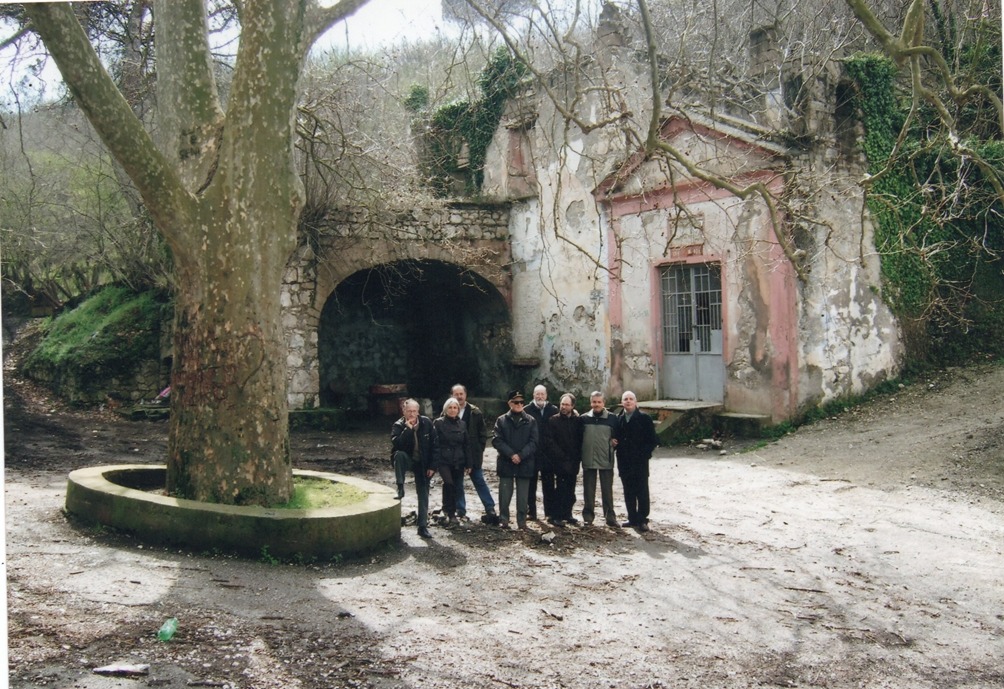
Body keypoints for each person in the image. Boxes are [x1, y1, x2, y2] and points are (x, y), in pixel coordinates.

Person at [492, 389, 539, 530]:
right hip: (506, 462)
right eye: (516, 402)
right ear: (509, 403)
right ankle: (504, 519)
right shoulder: (501, 420)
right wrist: (511, 454)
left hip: (525, 462)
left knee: (523, 496)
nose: (519, 404)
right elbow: (497, 440)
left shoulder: (531, 421)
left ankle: (522, 522)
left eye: (521, 402)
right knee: (505, 494)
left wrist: (521, 455)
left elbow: (534, 442)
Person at [451, 384, 498, 523]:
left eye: (461, 394)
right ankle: (460, 509)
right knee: (457, 482)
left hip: (472, 454)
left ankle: (490, 508)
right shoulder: (448, 410)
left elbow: (483, 434)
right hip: (456, 455)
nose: (459, 397)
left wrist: (479, 450)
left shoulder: (475, 412)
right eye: (456, 394)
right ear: (452, 395)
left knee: (479, 480)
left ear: (465, 395)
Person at [391, 398, 436, 538]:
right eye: (409, 411)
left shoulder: (426, 423)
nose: (411, 414)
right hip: (408, 459)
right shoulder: (398, 425)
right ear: (403, 411)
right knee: (399, 455)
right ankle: (400, 487)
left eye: (414, 411)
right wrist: (408, 429)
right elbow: (398, 445)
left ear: (418, 411)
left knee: (423, 493)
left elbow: (435, 446)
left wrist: (432, 466)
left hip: (423, 462)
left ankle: (422, 526)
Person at [615, 391, 659, 532]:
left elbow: (652, 440)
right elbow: (615, 438)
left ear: (635, 402)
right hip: (624, 462)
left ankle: (642, 520)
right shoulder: (619, 419)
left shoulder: (644, 418)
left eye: (631, 399)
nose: (628, 401)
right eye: (625, 399)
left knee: (642, 491)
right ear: (622, 402)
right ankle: (632, 518)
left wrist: (644, 455)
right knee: (628, 491)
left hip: (640, 462)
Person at [580, 391, 618, 527]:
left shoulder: (613, 418)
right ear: (591, 403)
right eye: (594, 402)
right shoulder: (584, 419)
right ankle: (588, 517)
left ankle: (610, 517)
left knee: (607, 490)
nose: (596, 404)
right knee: (588, 491)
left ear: (604, 403)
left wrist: (614, 442)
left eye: (599, 402)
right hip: (588, 458)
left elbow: (618, 436)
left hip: (605, 459)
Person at [432, 397, 472, 528]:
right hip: (443, 459)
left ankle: (451, 511)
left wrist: (469, 463)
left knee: (455, 486)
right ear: (445, 409)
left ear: (458, 410)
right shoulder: (438, 423)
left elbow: (467, 445)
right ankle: (448, 511)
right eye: (450, 407)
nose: (452, 410)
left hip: (458, 460)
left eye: (455, 408)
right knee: (448, 483)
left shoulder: (462, 424)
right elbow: (434, 443)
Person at [546, 393, 581, 526]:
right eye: (562, 404)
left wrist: (576, 458)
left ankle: (568, 514)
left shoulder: (577, 421)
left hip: (573, 461)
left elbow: (580, 440)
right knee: (560, 489)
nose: (564, 407)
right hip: (559, 461)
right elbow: (550, 441)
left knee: (571, 489)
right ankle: (556, 516)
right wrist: (561, 456)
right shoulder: (553, 420)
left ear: (572, 406)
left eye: (567, 405)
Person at [524, 384, 558, 521]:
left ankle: (549, 513)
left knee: (549, 484)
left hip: (548, 454)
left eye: (542, 394)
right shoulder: (526, 410)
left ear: (546, 395)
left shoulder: (553, 410)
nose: (540, 397)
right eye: (537, 394)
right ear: (533, 395)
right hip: (532, 453)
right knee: (530, 485)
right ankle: (531, 512)